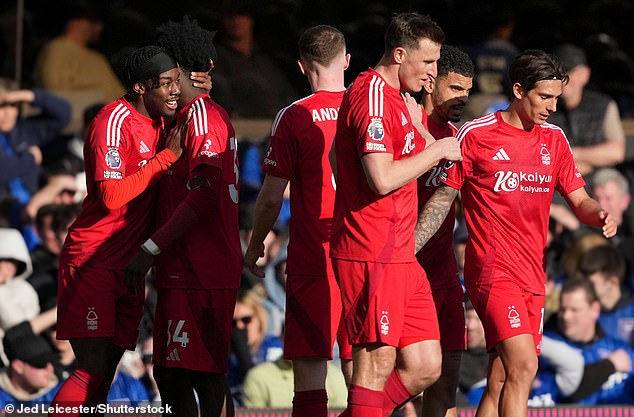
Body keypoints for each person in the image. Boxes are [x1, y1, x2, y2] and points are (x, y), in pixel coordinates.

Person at [418, 49, 618, 417]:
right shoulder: (476, 135)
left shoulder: (554, 140)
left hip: (533, 277)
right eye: (545, 96)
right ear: (518, 90)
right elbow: (444, 196)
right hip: (493, 273)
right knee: (524, 366)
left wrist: (599, 214)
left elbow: (579, 199)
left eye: (557, 97)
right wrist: (411, 246)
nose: (552, 106)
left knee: (500, 380)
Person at [330, 12, 462, 417]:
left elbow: (338, 155)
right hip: (370, 249)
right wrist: (438, 149)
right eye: (428, 62)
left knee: (425, 366)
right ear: (400, 54)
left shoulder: (400, 99)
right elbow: (381, 179)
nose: (432, 73)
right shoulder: (370, 95)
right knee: (376, 364)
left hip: (400, 252)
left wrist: (427, 136)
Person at [49, 45, 188, 416]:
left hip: (130, 265)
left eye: (177, 81)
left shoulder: (162, 123)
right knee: (91, 370)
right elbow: (111, 196)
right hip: (94, 260)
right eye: (166, 83)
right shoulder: (113, 121)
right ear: (142, 87)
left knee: (105, 373)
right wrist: (164, 160)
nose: (175, 90)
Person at [125, 17, 241, 417]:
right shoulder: (185, 117)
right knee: (175, 373)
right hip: (186, 266)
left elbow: (205, 194)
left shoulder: (203, 117)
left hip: (202, 267)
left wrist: (151, 247)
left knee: (200, 375)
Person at [243, 24, 351, 417]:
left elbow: (272, 197)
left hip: (312, 257)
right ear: (347, 60)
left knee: (309, 371)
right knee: (363, 371)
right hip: (364, 250)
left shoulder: (293, 116)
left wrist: (255, 247)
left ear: (303, 66)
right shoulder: (375, 108)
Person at [415, 44, 473, 417]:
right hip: (399, 268)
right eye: (455, 89)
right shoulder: (401, 126)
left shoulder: (458, 138)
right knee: (403, 373)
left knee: (447, 376)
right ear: (431, 82)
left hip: (442, 269)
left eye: (467, 93)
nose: (462, 99)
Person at [531, 279, 634, 405]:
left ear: (595, 310)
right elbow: (564, 392)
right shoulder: (544, 348)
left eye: (574, 310)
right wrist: (609, 365)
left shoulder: (617, 348)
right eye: (563, 309)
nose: (566, 316)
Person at [548, 44, 626, 176]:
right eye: (557, 74)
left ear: (585, 75)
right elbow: (541, 155)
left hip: (596, 180)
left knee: (609, 185)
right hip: (556, 181)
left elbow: (617, 152)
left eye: (568, 71)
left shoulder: (603, 105)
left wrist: (572, 154)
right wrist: (593, 158)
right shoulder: (544, 107)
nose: (563, 79)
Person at [34, 1, 125, 103]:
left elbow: (120, 95)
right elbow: (54, 93)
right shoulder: (57, 49)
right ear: (79, 22)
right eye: (94, 21)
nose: (100, 27)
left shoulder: (97, 58)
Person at [577, 245, 634, 346]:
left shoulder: (630, 310)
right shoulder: (585, 312)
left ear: (613, 282)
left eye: (591, 283)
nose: (584, 287)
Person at [0, 332, 61, 408]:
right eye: (41, 364)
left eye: (52, 362)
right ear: (18, 367)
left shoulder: (62, 393)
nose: (50, 369)